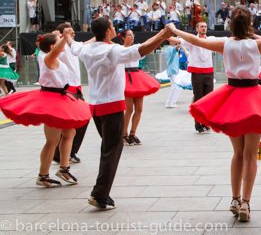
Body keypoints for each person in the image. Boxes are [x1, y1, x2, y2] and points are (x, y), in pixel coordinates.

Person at [166, 8, 261, 222]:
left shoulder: (224, 44)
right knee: (250, 154)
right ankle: (246, 201)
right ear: (249, 25)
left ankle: (235, 199)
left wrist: (174, 29)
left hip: (232, 98)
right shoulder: (257, 43)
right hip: (253, 98)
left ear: (230, 26)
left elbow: (195, 40)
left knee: (237, 153)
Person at [67, 18, 170, 210]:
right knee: (111, 151)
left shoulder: (87, 49)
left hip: (96, 107)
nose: (115, 29)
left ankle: (101, 192)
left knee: (108, 148)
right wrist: (163, 35)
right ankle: (100, 194)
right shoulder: (111, 50)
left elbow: (74, 45)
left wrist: (67, 37)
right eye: (112, 27)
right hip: (112, 106)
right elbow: (141, 50)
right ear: (107, 31)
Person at [0, 31, 91, 187]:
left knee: (70, 132)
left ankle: (63, 168)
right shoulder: (48, 58)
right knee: (52, 140)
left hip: (61, 97)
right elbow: (55, 51)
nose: (62, 43)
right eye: (58, 41)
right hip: (52, 100)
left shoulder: (52, 57)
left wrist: (63, 38)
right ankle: (43, 175)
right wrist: (64, 37)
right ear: (52, 46)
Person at [53, 23, 88, 165]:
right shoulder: (61, 48)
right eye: (69, 32)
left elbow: (87, 43)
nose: (72, 34)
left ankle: (70, 151)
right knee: (69, 126)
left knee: (83, 119)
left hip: (77, 90)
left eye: (73, 32)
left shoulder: (73, 46)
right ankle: (62, 154)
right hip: (67, 90)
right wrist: (58, 36)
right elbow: (55, 48)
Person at [120, 29, 161, 146]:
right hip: (126, 77)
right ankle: (124, 134)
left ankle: (133, 133)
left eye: (132, 35)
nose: (132, 37)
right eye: (129, 35)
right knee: (129, 108)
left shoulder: (137, 47)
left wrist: (160, 36)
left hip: (137, 77)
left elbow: (147, 43)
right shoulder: (120, 49)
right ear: (123, 37)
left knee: (139, 108)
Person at [180, 21, 217, 133]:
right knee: (198, 97)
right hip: (196, 71)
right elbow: (180, 41)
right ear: (197, 29)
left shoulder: (210, 39)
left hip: (208, 70)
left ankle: (206, 122)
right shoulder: (192, 40)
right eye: (201, 27)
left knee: (209, 98)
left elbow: (225, 40)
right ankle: (198, 123)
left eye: (205, 26)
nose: (204, 28)